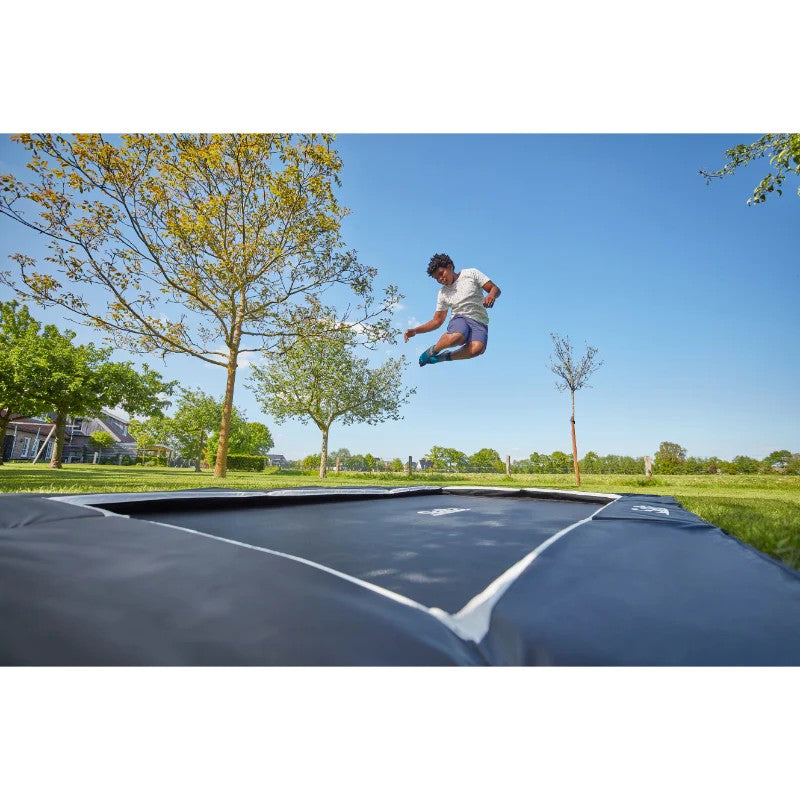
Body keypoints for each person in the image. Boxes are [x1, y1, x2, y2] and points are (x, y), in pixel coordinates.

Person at [404, 253, 501, 366]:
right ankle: (433, 350)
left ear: (450, 267)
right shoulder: (443, 293)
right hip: (460, 318)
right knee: (458, 337)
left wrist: (491, 295)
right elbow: (437, 321)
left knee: (477, 349)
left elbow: (494, 288)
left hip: (480, 321)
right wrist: (416, 330)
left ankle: (444, 357)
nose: (441, 279)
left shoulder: (470, 273)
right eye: (437, 278)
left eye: (441, 273)